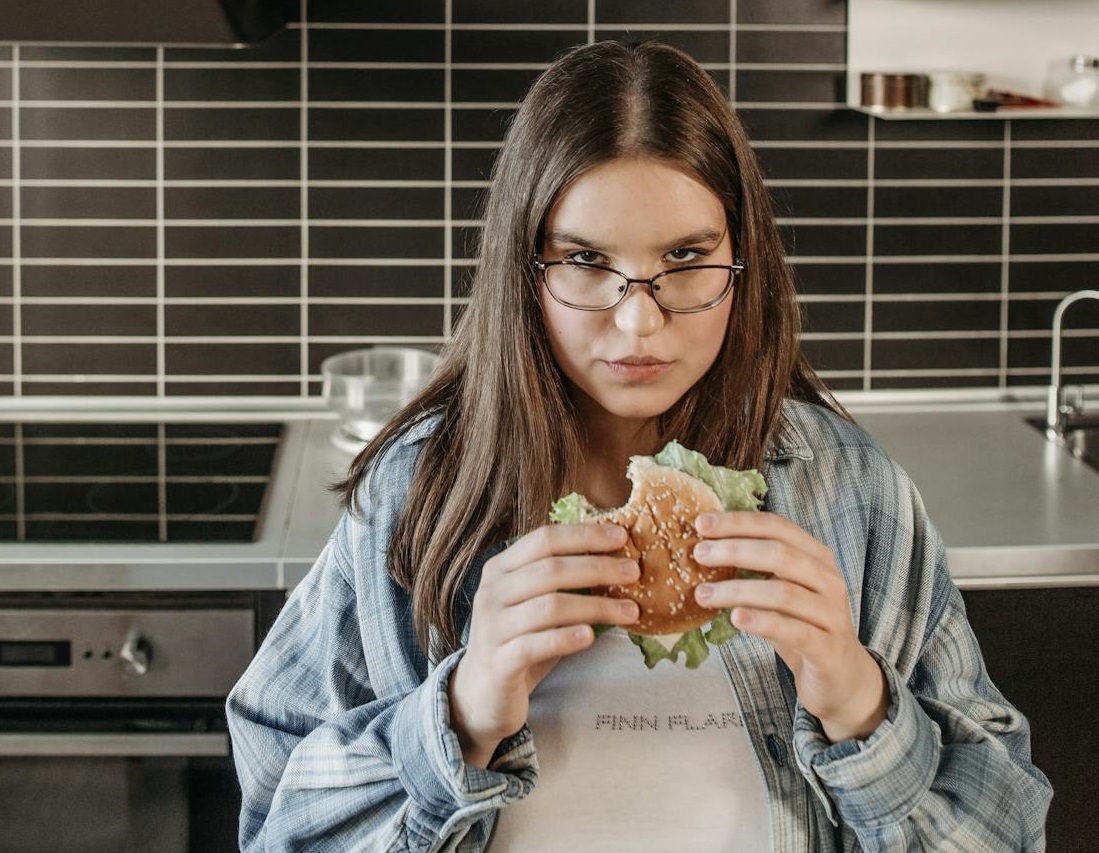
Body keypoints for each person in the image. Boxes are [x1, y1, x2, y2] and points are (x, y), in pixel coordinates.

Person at [226, 40, 1052, 852]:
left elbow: (1005, 830)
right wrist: (460, 714)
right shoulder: (418, 492)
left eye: (685, 257)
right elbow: (275, 823)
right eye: (586, 259)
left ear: (742, 258)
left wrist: (860, 701)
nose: (638, 321)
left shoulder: (851, 490)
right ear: (525, 267)